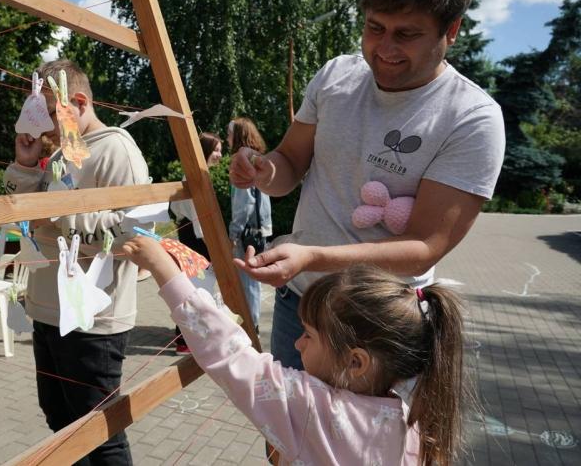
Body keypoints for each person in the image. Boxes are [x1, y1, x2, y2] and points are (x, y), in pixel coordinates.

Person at [230, 0, 505, 371]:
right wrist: (262, 171)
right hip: (298, 304)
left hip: (376, 322)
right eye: (374, 27)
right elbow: (290, 164)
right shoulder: (336, 76)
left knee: (362, 440)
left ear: (450, 30)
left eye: (407, 34)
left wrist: (315, 256)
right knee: (284, 435)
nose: (385, 48)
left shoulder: (471, 117)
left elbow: (424, 246)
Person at [124, 236, 467, 465]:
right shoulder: (414, 422)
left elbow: (229, 354)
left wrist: (163, 267)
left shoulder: (312, 409)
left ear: (355, 361)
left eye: (309, 335)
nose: (296, 343)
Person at [4, 59, 150, 466]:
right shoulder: (63, 153)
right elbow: (31, 212)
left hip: (93, 323)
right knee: (61, 423)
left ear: (78, 102)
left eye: (47, 113)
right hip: (47, 313)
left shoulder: (117, 149)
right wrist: (27, 165)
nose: (40, 126)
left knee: (99, 436)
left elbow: (135, 234)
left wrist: (62, 212)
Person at [168, 131, 223, 353]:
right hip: (196, 238)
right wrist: (214, 246)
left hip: (192, 235)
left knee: (197, 287)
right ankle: (184, 339)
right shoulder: (194, 178)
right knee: (196, 288)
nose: (220, 154)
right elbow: (198, 219)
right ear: (206, 150)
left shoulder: (195, 175)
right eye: (217, 149)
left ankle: (189, 337)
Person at [227, 118, 271, 334]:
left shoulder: (242, 161)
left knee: (248, 281)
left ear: (238, 136)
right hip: (260, 230)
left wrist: (233, 233)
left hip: (246, 233)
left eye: (229, 134)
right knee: (253, 280)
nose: (227, 139)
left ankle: (250, 326)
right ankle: (251, 323)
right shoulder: (259, 160)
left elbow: (244, 204)